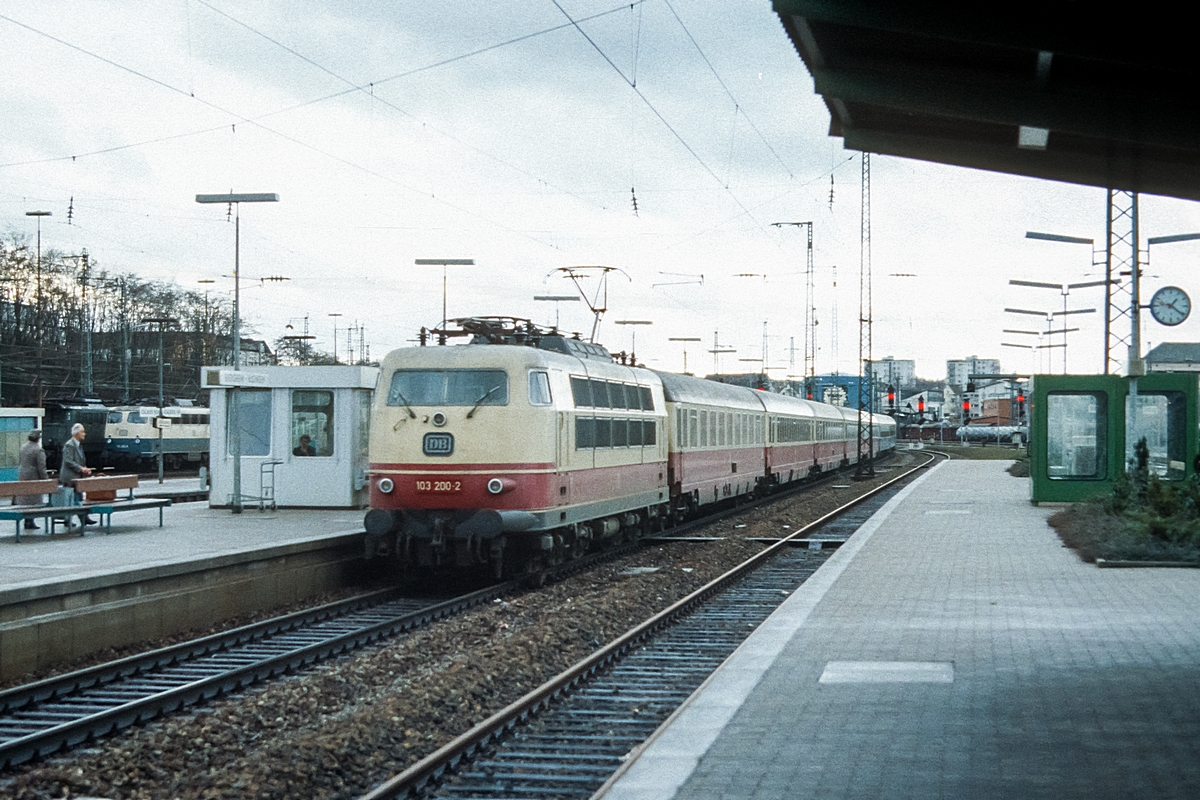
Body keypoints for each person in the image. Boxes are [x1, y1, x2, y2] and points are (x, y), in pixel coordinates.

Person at [60, 423, 96, 528]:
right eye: (82, 432)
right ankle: (73, 519)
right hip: (69, 477)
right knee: (71, 499)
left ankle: (83, 517)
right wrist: (81, 468)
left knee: (77, 498)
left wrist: (84, 468)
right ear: (76, 433)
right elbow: (68, 461)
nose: (84, 434)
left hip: (77, 478)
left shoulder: (79, 445)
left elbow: (79, 460)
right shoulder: (69, 445)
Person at [15, 430, 49, 530]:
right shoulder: (38, 450)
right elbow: (41, 466)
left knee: (25, 499)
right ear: (38, 439)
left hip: (23, 476)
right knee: (33, 500)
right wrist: (45, 479)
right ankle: (30, 520)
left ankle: (27, 521)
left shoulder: (23, 447)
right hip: (34, 477)